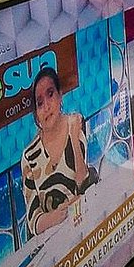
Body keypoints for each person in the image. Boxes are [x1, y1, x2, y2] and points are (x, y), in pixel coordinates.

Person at [19, 66, 95, 235]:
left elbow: (83, 183)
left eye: (50, 94)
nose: (46, 106)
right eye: (39, 103)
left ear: (60, 95)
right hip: (54, 240)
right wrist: (55, 217)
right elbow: (33, 222)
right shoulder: (29, 156)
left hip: (85, 225)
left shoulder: (75, 125)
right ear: (36, 113)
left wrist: (74, 138)